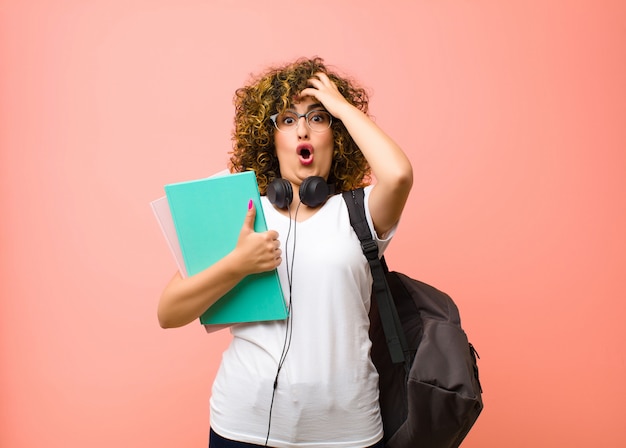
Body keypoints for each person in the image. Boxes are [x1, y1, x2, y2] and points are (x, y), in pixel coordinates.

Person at [157, 57, 413, 448]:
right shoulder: (243, 213)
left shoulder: (361, 211)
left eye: (318, 118)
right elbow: (169, 312)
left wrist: (341, 105)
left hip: (348, 433)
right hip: (242, 426)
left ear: (337, 135)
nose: (303, 130)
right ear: (270, 138)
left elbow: (398, 175)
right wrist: (238, 265)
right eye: (288, 120)